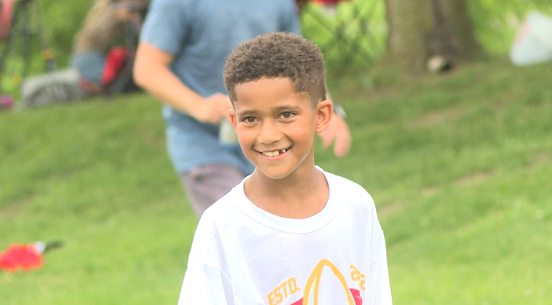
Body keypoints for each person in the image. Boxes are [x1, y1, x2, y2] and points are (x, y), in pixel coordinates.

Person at [177, 32, 392, 304]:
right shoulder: (222, 226)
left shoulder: (356, 205)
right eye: (251, 118)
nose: (267, 135)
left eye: (286, 115)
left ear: (321, 116)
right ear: (234, 122)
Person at [134, 0, 351, 217]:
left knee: (285, 226)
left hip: (271, 139)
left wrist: (326, 112)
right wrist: (200, 106)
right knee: (241, 223)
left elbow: (301, 66)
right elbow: (147, 68)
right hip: (205, 144)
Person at [70, 0, 147, 95]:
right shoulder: (111, 12)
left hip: (86, 56)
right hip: (88, 57)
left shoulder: (103, 9)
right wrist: (120, 17)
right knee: (111, 85)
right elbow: (98, 33)